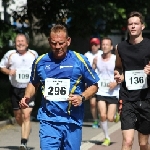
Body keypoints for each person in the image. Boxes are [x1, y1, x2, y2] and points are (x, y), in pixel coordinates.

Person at [19, 24, 99, 150]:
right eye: (54, 43)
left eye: (61, 43)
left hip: (72, 121)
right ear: (49, 41)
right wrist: (27, 96)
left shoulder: (80, 60)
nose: (57, 47)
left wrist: (82, 97)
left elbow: (94, 85)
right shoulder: (40, 61)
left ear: (68, 41)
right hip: (48, 120)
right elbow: (33, 83)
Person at [114, 11, 150, 150]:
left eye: (136, 24)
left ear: (142, 26)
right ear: (127, 27)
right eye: (130, 24)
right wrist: (118, 74)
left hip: (146, 98)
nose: (133, 26)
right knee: (128, 141)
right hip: (127, 98)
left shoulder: (149, 45)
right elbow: (118, 67)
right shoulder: (120, 47)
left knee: (143, 143)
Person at [0, 33, 38, 150]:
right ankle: (26, 128)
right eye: (18, 41)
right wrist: (8, 72)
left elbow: (39, 68)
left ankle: (23, 143)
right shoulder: (10, 54)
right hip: (15, 89)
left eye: (22, 41)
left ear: (27, 43)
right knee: (18, 117)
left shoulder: (33, 54)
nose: (20, 43)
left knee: (26, 115)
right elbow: (2, 67)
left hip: (29, 88)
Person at [92, 37, 120, 146]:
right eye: (103, 44)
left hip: (113, 92)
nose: (105, 46)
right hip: (101, 91)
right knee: (102, 115)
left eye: (107, 44)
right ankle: (107, 137)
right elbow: (92, 72)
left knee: (110, 118)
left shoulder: (115, 59)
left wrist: (116, 83)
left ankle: (116, 114)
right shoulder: (96, 58)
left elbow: (121, 73)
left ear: (111, 47)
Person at [84, 38, 102, 128]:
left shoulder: (102, 54)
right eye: (92, 45)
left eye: (95, 45)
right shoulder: (87, 55)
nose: (93, 47)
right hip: (91, 82)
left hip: (102, 83)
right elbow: (85, 70)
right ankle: (95, 120)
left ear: (98, 46)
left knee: (101, 103)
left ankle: (101, 117)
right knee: (92, 103)